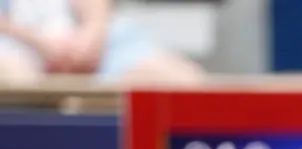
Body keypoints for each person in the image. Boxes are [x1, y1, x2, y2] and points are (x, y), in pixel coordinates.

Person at [0, 0, 201, 85]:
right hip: (13, 43)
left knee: (184, 79)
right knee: (15, 80)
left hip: (94, 43)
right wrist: (39, 42)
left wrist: (93, 32)